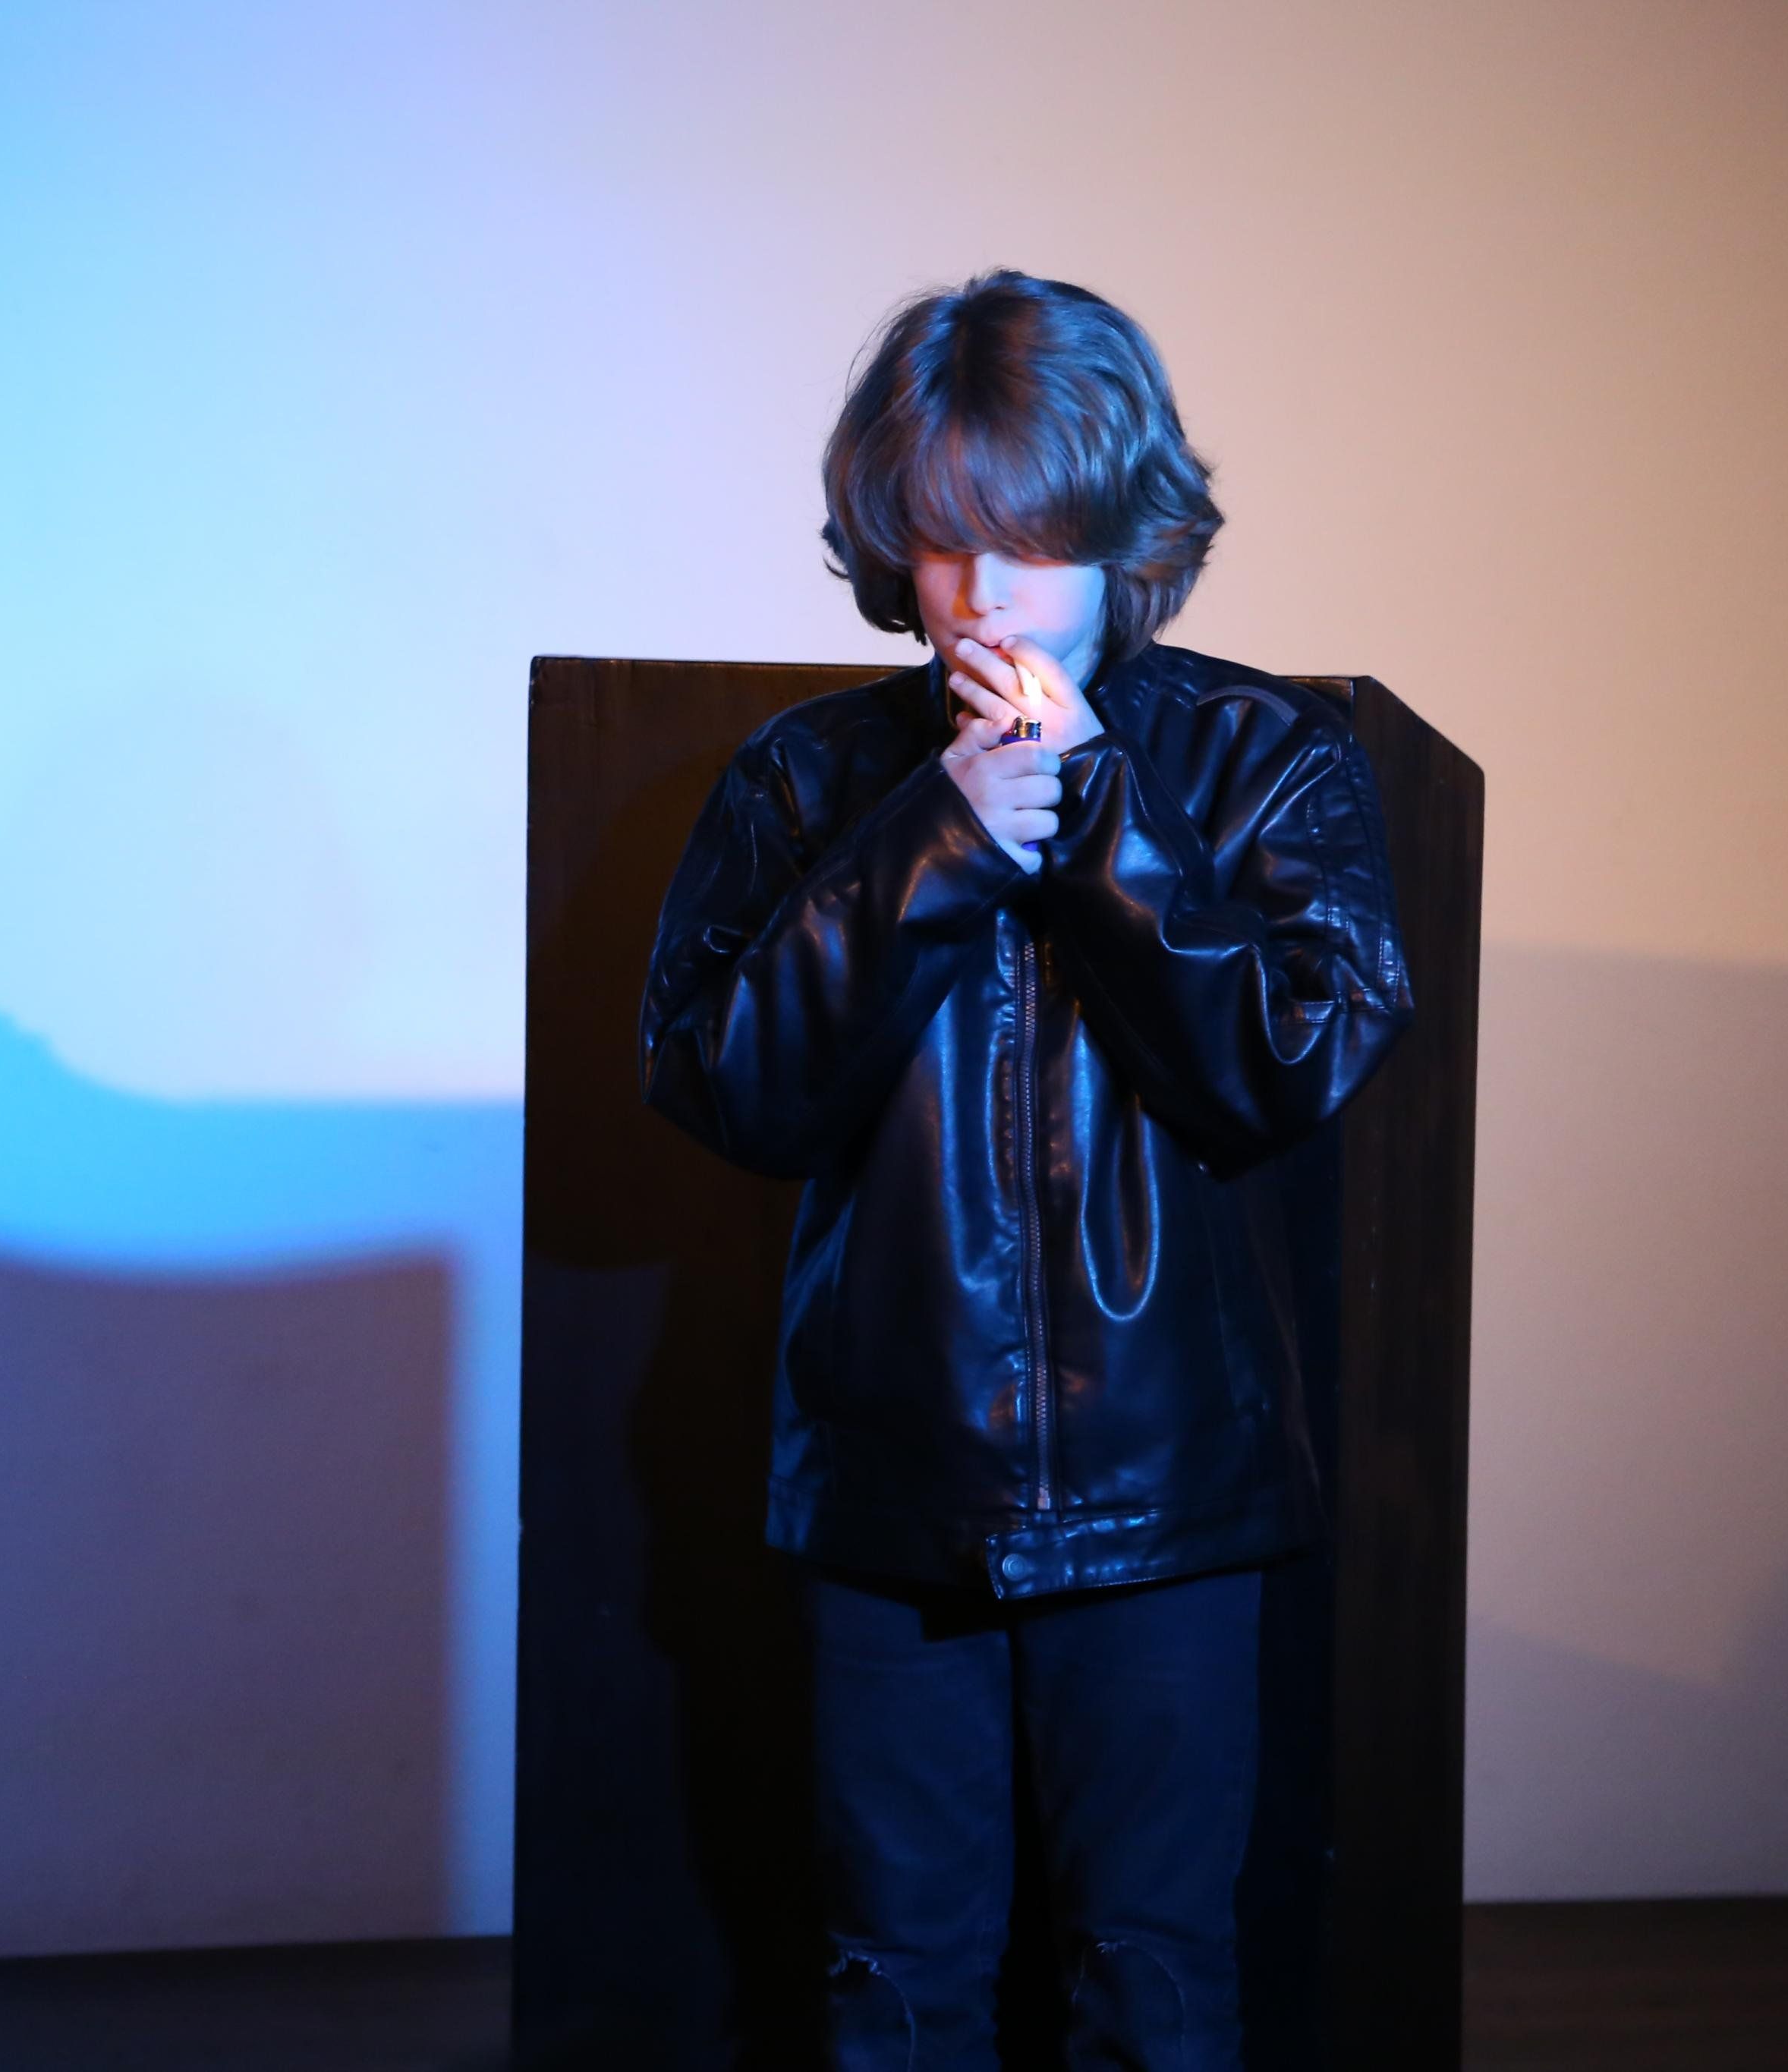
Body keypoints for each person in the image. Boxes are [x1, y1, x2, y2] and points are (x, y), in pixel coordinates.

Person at [638, 270, 1413, 2070]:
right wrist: (936, 840)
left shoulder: (1261, 760)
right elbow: (724, 1091)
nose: (984, 596)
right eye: (941, 541)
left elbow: (1284, 1071)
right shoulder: (806, 777)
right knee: (894, 1974)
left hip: (1167, 1485)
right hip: (889, 1479)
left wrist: (1096, 826)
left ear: (1124, 536)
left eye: (1034, 541)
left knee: (1154, 1968)